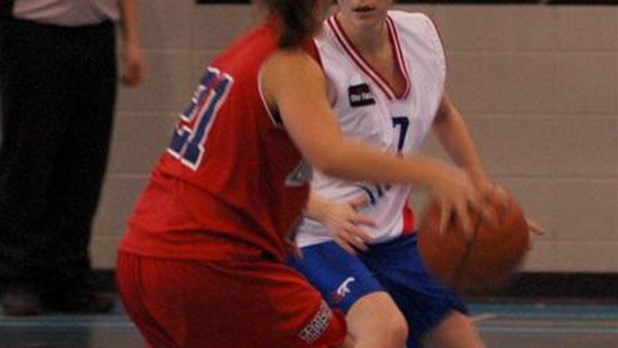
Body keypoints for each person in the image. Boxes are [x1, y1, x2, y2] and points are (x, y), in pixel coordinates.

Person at [114, 0, 492, 347]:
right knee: (353, 337)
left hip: (142, 255)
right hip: (210, 259)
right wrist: (434, 173)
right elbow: (330, 156)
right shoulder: (292, 62)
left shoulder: (246, 50)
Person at [290, 1, 542, 348]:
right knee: (386, 329)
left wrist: (480, 188)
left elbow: (443, 114)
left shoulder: (418, 36)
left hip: (389, 237)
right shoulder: (312, 59)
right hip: (316, 236)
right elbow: (267, 169)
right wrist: (322, 209)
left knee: (460, 337)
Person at [0, 0, 144, 316]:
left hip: (95, 34)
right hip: (33, 33)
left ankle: (67, 277)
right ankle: (19, 276)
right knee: (28, 161)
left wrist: (131, 39)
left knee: (84, 163)